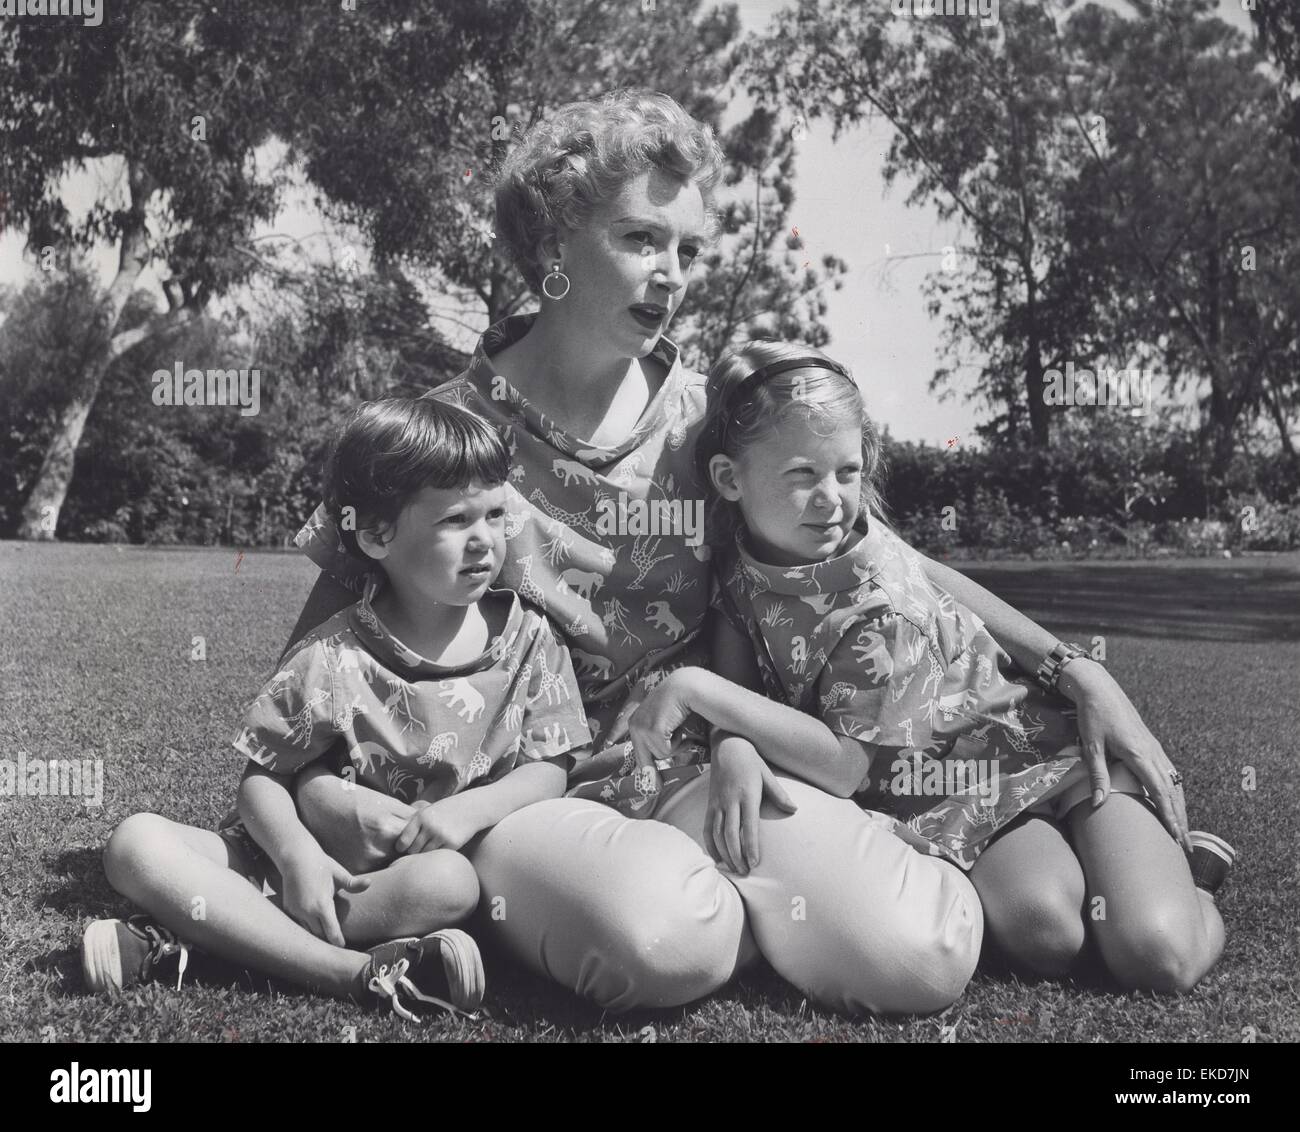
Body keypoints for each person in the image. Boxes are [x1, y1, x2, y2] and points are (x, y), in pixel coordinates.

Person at [285, 88, 1202, 1014]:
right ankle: (585, 906)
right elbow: (314, 662)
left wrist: (1078, 672)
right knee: (660, 944)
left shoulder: (706, 428)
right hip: (516, 794)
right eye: (642, 240)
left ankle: (727, 905)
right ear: (554, 243)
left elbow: (896, 564)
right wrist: (323, 803)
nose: (673, 273)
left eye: (688, 250)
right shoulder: (441, 437)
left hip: (700, 768)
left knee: (916, 955)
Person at [636, 339, 1228, 992]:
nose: (832, 498)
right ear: (729, 479)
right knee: (1047, 938)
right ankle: (1114, 871)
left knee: (1156, 956)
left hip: (1054, 755)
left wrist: (694, 690)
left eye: (847, 472)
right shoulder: (739, 573)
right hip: (961, 792)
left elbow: (842, 766)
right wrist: (733, 744)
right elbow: (743, 693)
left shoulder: (879, 597)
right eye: (802, 475)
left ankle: (1195, 881)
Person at [83, 398, 590, 1021]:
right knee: (134, 843)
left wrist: (471, 808)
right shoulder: (332, 653)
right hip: (281, 859)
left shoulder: (532, 640)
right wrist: (296, 856)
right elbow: (262, 778)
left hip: (392, 884)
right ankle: (353, 973)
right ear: (378, 534)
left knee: (449, 884)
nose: (485, 539)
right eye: (455, 519)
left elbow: (554, 765)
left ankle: (206, 937)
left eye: (494, 513)